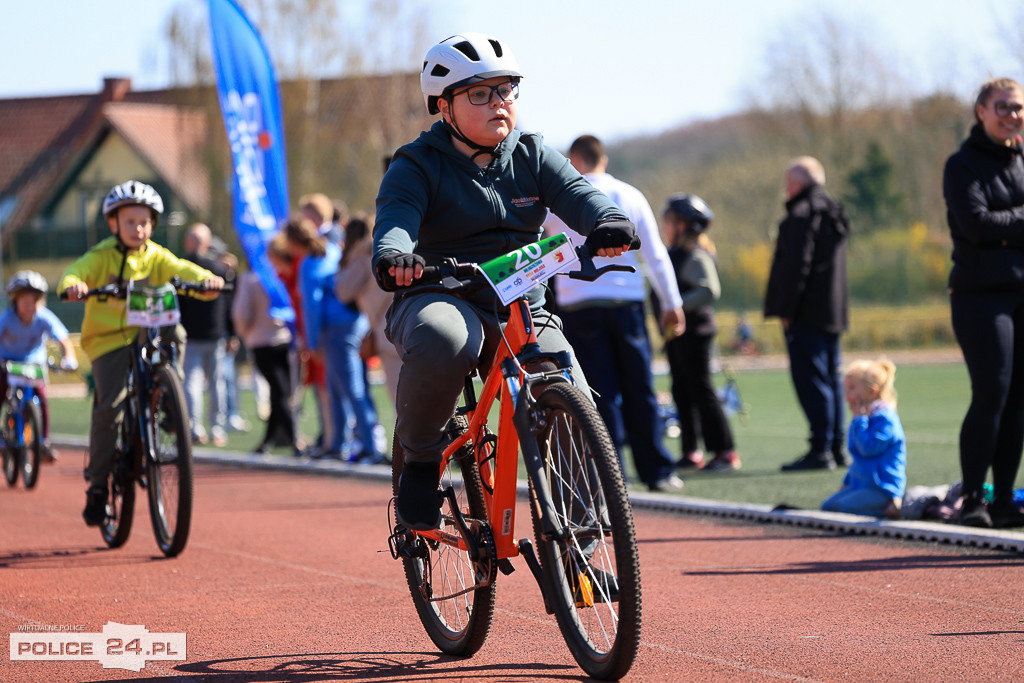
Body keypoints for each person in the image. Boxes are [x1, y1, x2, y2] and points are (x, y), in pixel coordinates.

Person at [373, 33, 638, 531]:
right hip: (440, 291)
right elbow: (395, 221)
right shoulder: (416, 163)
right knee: (446, 339)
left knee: (568, 388)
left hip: (519, 299)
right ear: (444, 107)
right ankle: (423, 461)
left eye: (506, 89)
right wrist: (394, 255)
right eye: (480, 93)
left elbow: (578, 193)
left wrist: (606, 220)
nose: (499, 102)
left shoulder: (532, 152)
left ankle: (580, 543)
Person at [59, 180, 222, 526]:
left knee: (176, 331)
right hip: (108, 340)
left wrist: (206, 279)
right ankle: (99, 486)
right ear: (113, 224)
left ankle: (168, 396)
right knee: (111, 407)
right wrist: (74, 286)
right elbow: (75, 272)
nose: (138, 228)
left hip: (148, 329)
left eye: (145, 222)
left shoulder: (155, 255)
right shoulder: (101, 256)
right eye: (130, 221)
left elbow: (182, 269)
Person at [543, 134, 685, 491]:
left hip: (578, 305)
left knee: (598, 392)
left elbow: (538, 248)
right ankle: (657, 471)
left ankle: (612, 474)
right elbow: (655, 254)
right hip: (627, 303)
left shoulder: (559, 200)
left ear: (573, 161)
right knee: (640, 387)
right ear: (603, 159)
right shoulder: (630, 194)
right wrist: (672, 302)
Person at [942, 77, 1024, 528]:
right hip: (980, 295)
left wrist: (1005, 226)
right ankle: (973, 499)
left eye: (1017, 108)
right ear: (981, 111)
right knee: (992, 390)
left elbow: (995, 224)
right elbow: (975, 226)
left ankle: (1005, 500)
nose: (1012, 115)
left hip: (1021, 292)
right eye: (1003, 107)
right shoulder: (962, 165)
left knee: (1017, 398)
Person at [764, 156, 851, 472]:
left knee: (812, 381)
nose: (785, 189)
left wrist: (786, 308)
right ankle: (836, 446)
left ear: (798, 183)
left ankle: (820, 448)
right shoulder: (835, 212)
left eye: (788, 182)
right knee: (831, 378)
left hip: (805, 312)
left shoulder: (800, 216)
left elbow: (795, 267)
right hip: (833, 310)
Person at [285, 216, 382, 462]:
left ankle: (370, 446)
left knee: (351, 388)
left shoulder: (309, 262)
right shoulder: (331, 249)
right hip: (353, 322)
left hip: (337, 328)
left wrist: (312, 342)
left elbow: (312, 306)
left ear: (294, 242)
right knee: (337, 387)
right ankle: (338, 444)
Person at [661, 194, 740, 471]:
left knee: (701, 390)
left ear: (682, 225)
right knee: (682, 391)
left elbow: (709, 290)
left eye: (668, 221)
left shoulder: (695, 254)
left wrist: (676, 307)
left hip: (695, 332)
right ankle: (691, 451)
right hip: (678, 335)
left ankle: (725, 451)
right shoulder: (677, 253)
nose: (664, 227)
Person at [0, 271, 78, 462]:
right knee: (0, 390)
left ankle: (43, 442)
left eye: (33, 302)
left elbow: (63, 339)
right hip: (8, 362)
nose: (30, 307)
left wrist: (69, 357)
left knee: (41, 397)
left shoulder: (44, 317)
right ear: (15, 301)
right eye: (25, 302)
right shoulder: (6, 318)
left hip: (33, 364)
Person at [232, 234, 299, 455]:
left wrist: (245, 333)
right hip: (284, 338)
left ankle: (290, 439)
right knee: (281, 391)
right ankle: (273, 440)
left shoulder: (251, 278)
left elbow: (241, 313)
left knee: (279, 392)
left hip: (261, 341)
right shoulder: (278, 274)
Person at [821, 358, 906, 518]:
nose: (846, 395)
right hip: (861, 485)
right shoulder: (864, 417)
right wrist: (847, 481)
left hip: (881, 487)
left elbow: (868, 449)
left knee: (842, 507)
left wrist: (859, 420)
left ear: (871, 392)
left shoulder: (885, 419)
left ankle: (890, 507)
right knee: (828, 506)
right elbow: (858, 457)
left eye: (851, 388)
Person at [335, 212, 400, 405]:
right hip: (405, 326)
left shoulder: (364, 256)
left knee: (401, 401)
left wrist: (347, 258)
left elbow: (343, 291)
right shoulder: (390, 249)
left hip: (390, 333)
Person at [179, 223, 231, 446]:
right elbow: (228, 305)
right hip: (213, 335)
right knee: (216, 385)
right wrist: (231, 332)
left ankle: (195, 428)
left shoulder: (182, 270)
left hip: (193, 336)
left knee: (192, 384)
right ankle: (217, 429)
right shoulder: (219, 269)